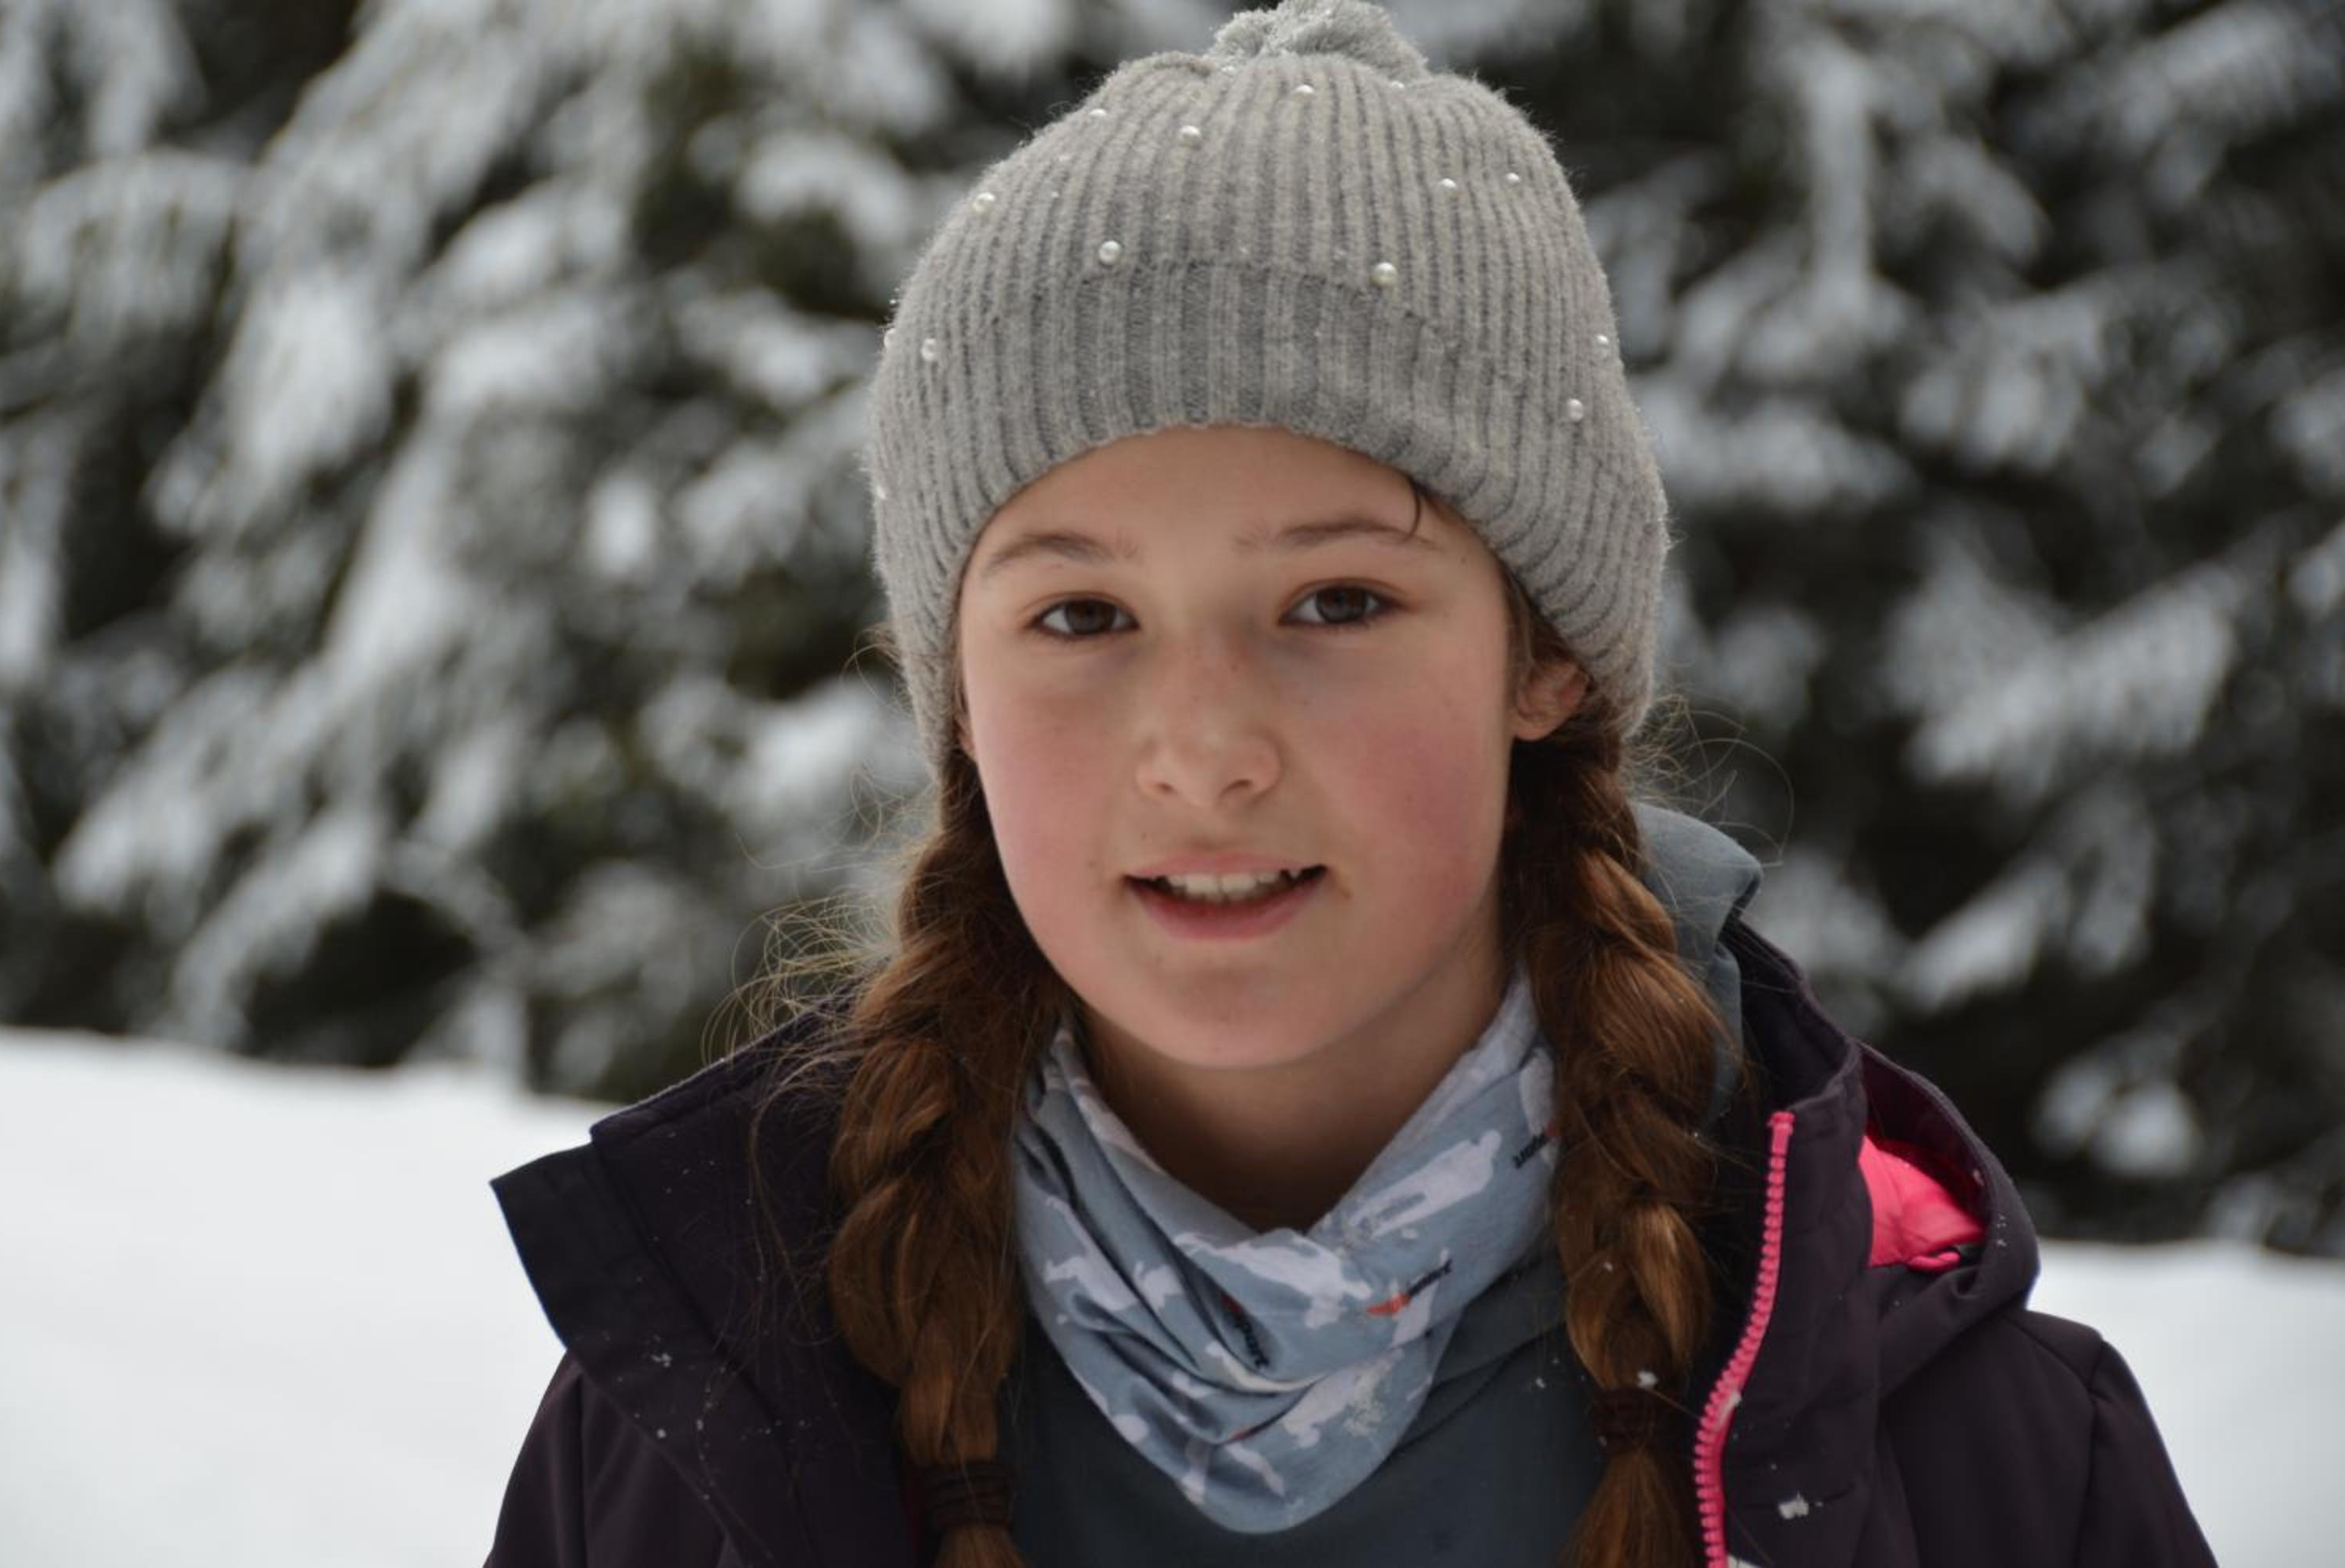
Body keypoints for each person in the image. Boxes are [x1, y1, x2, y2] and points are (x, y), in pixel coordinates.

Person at [483, 3, 2216, 1566]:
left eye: (1337, 603)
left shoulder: (1978, 1464)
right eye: (1081, 616)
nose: (1205, 749)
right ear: (958, 701)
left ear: (1543, 659)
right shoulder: (687, 1453)